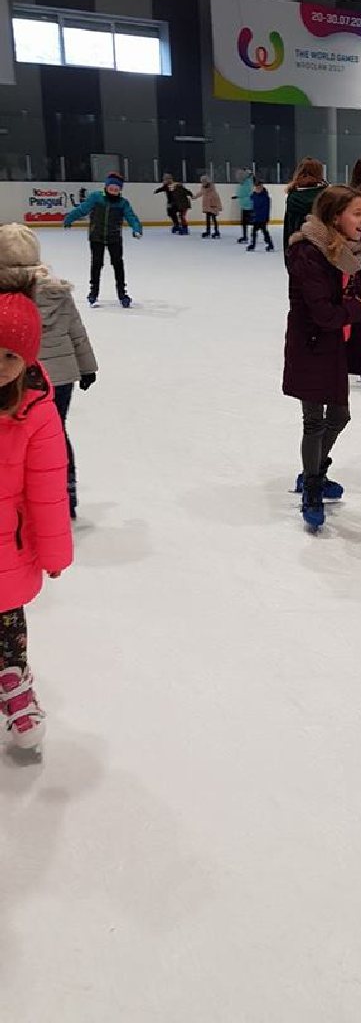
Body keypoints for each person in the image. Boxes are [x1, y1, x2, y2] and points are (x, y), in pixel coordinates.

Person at [0, 291, 73, 750]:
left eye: (10, 356)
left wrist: (54, 552)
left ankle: (14, 681)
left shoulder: (36, 409)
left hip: (8, 546)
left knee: (7, 620)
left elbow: (47, 486)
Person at [283, 186, 361, 530]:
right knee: (314, 421)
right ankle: (312, 486)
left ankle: (314, 470)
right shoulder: (309, 253)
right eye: (357, 213)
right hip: (310, 346)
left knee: (339, 415)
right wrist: (354, 309)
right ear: (336, 217)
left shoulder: (349, 252)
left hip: (335, 346)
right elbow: (323, 313)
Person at [0, 225, 98, 519]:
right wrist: (87, 367)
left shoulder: (5, 298)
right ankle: (65, 494)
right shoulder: (57, 291)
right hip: (61, 375)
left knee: (17, 437)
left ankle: (22, 495)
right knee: (54, 435)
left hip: (22, 377)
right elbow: (76, 330)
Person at [63, 172, 143, 307]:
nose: (113, 191)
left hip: (114, 237)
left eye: (116, 189)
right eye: (111, 188)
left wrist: (136, 228)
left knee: (118, 265)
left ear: (120, 190)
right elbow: (82, 209)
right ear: (106, 187)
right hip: (96, 236)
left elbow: (131, 217)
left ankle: (122, 294)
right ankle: (93, 293)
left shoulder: (123, 203)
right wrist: (69, 218)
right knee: (96, 264)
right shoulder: (96, 197)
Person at [284, 159, 327, 260]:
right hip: (323, 251)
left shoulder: (293, 197)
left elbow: (289, 227)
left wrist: (288, 256)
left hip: (299, 251)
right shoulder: (326, 196)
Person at [247, 178, 274, 251]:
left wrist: (266, 217)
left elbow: (267, 208)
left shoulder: (265, 197)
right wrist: (251, 215)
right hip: (256, 217)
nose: (257, 189)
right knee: (254, 231)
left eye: (259, 187)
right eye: (256, 187)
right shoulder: (253, 195)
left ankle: (270, 244)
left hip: (262, 218)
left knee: (264, 231)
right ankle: (253, 245)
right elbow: (252, 205)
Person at [234, 168, 255, 244]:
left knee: (249, 222)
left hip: (249, 205)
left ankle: (250, 236)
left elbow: (246, 192)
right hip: (245, 205)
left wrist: (239, 196)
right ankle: (245, 236)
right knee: (244, 222)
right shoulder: (245, 182)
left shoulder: (247, 182)